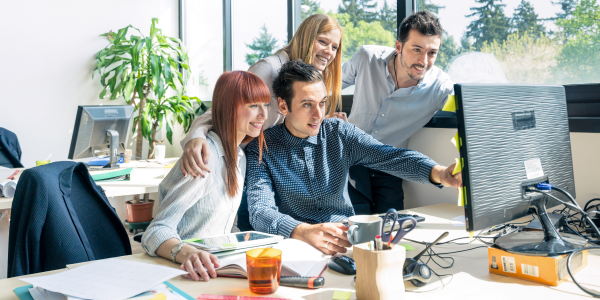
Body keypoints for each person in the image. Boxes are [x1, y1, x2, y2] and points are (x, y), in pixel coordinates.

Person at [245, 60, 462, 255]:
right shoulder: (261, 148)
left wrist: (439, 173)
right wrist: (301, 231)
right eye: (307, 104)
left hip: (348, 244)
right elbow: (260, 210)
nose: (319, 114)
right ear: (283, 105)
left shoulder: (340, 133)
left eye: (322, 103)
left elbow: (390, 156)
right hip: (297, 248)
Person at [177, 14, 346, 231]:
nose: (329, 52)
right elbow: (224, 108)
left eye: (335, 47)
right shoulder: (269, 69)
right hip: (232, 164)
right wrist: (196, 136)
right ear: (305, 37)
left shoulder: (310, 76)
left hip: (263, 167)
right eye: (323, 42)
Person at [141, 71, 270, 282]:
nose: (263, 115)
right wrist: (187, 253)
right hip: (183, 272)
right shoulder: (205, 158)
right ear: (229, 108)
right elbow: (156, 231)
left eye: (265, 105)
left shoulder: (239, 156)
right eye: (254, 105)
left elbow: (227, 226)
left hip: (215, 269)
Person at [342, 11, 454, 215]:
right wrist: (327, 112)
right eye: (417, 50)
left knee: (392, 227)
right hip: (351, 160)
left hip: (390, 166)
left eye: (432, 53)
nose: (424, 61)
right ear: (399, 47)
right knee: (352, 222)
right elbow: (327, 84)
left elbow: (469, 109)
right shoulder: (367, 57)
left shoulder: (439, 87)